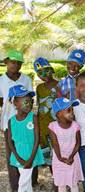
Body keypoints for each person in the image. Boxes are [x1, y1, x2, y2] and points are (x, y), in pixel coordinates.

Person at [0, 50, 33, 191]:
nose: (15, 65)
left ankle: (30, 181)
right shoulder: (1, 80)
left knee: (27, 149)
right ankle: (15, 185)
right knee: (11, 153)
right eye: (13, 62)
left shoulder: (26, 79)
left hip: (26, 122)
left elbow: (31, 101)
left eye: (19, 62)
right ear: (6, 62)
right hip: (8, 122)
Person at [7, 85, 45, 192]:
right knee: (26, 181)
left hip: (31, 154)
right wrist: (18, 157)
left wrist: (31, 159)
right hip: (18, 155)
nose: (29, 104)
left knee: (23, 182)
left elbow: (37, 139)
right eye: (25, 102)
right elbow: (10, 141)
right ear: (15, 103)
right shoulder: (11, 121)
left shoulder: (33, 117)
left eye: (31, 101)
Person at [49, 97, 84, 192]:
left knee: (74, 183)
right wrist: (60, 158)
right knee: (61, 184)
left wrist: (71, 156)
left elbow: (78, 142)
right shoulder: (53, 126)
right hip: (59, 158)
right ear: (58, 114)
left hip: (73, 157)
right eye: (69, 110)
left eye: (72, 110)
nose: (72, 112)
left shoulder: (75, 125)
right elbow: (55, 144)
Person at [34, 57, 58, 165]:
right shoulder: (39, 88)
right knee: (47, 155)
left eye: (46, 71)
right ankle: (54, 178)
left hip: (57, 125)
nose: (44, 75)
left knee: (58, 151)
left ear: (52, 70)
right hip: (43, 126)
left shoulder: (60, 85)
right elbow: (39, 107)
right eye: (40, 73)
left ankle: (61, 179)